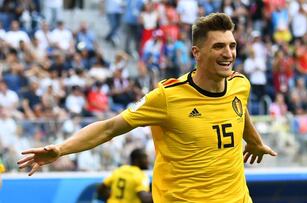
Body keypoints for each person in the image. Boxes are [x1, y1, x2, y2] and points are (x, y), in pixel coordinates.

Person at [17, 13, 276, 202]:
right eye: (218, 46)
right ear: (196, 52)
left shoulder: (240, 85)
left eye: (232, 46)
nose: (228, 53)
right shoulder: (166, 97)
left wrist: (253, 141)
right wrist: (62, 149)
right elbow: (110, 128)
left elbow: (239, 109)